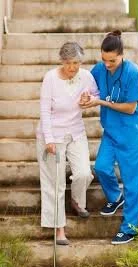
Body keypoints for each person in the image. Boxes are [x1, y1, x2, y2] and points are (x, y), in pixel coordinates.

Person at [79, 30, 138, 244]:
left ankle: (129, 228)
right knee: (101, 167)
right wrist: (86, 96)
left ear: (122, 54)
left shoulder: (132, 72)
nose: (107, 64)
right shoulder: (100, 69)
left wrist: (100, 102)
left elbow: (130, 108)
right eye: (104, 59)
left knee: (132, 184)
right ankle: (115, 197)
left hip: (132, 136)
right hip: (111, 132)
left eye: (112, 60)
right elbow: (89, 86)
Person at [36, 42, 98, 245]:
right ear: (61, 61)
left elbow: (95, 96)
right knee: (56, 184)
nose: (72, 67)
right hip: (52, 135)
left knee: (83, 173)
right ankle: (59, 230)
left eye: (77, 63)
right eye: (69, 63)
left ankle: (77, 200)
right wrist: (49, 139)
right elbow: (45, 110)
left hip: (76, 132)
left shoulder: (86, 76)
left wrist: (88, 100)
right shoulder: (50, 79)